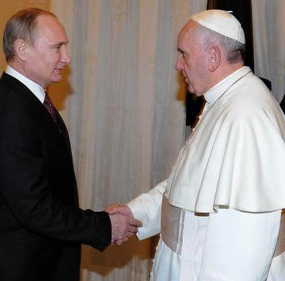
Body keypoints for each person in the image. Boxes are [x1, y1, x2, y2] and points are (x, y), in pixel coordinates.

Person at [108, 9, 285, 281]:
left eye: (183, 54)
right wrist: (135, 213)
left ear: (213, 57)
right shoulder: (223, 101)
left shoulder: (246, 116)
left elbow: (244, 251)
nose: (178, 65)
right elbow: (185, 187)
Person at [0, 8, 140, 281]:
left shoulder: (28, 100)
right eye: (57, 48)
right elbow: (33, 208)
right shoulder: (12, 113)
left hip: (40, 261)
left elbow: (49, 187)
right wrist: (103, 225)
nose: (66, 58)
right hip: (17, 268)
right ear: (22, 49)